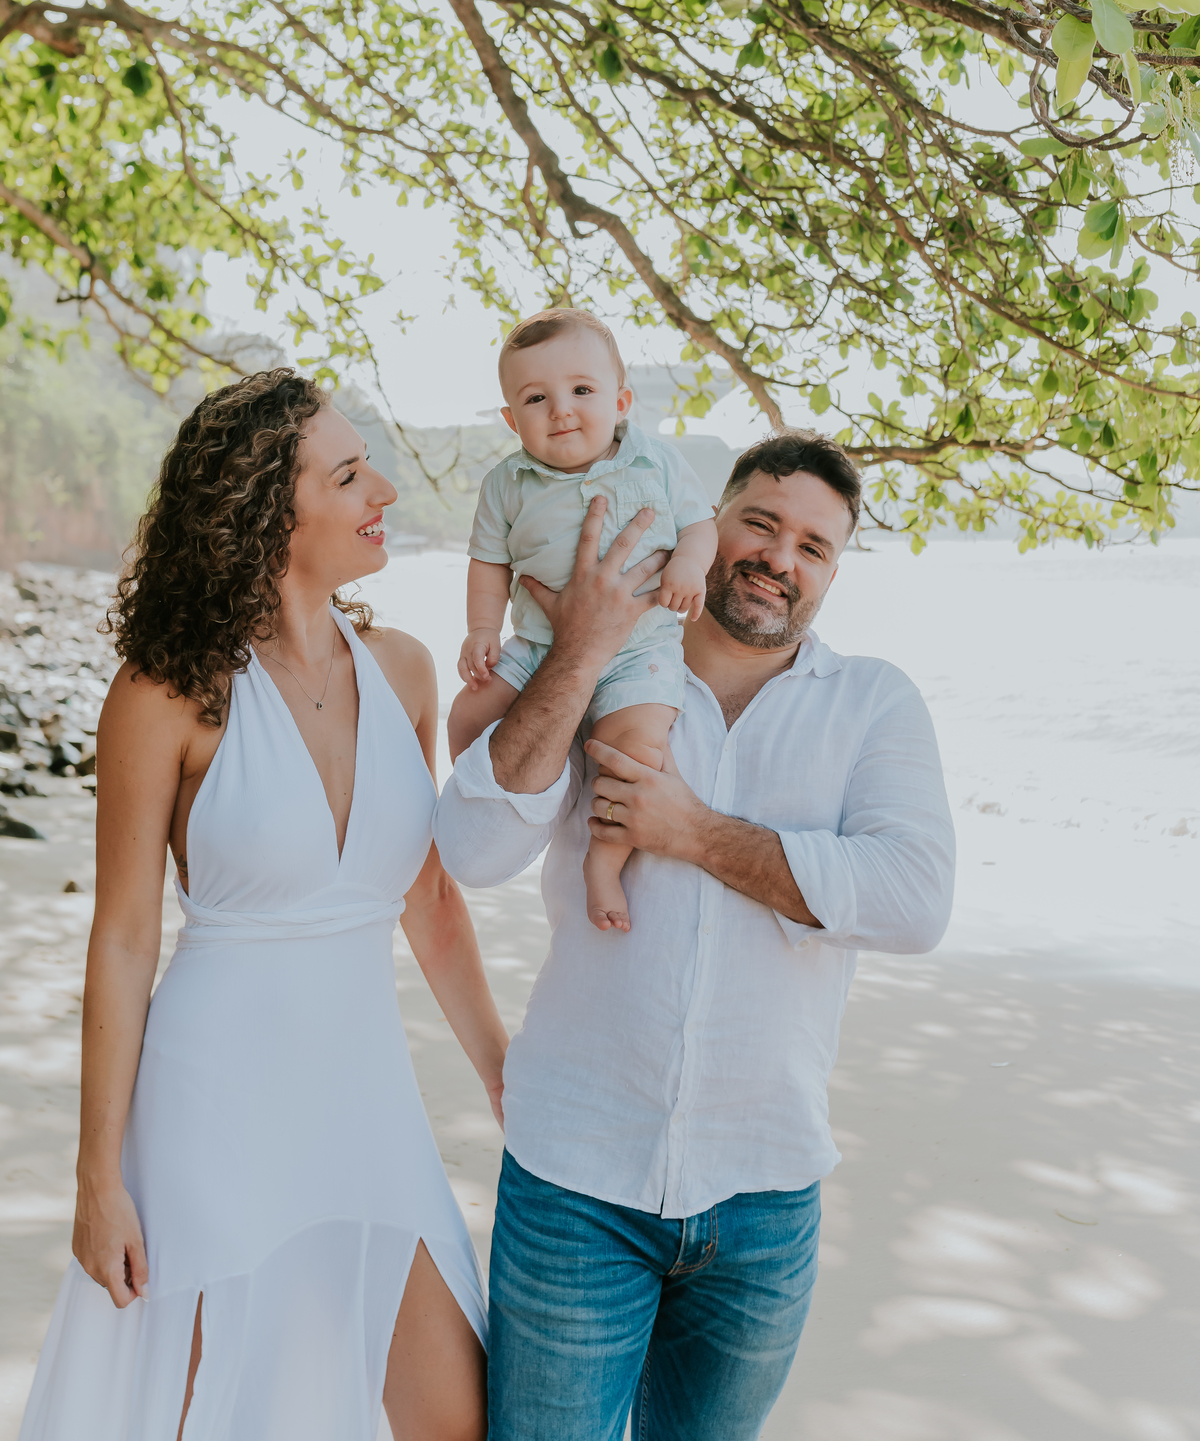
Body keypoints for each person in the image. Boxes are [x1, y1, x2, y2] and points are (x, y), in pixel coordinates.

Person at [437, 430, 956, 1441]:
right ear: (708, 524)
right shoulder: (594, 673)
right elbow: (471, 847)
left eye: (814, 546)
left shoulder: (871, 704)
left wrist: (693, 833)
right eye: (760, 524)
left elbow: (913, 898)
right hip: (574, 1185)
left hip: (765, 1195)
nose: (779, 557)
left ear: (834, 572)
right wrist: (586, 646)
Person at [19, 369, 507, 1441]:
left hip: (369, 1099)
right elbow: (125, 938)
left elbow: (429, 903)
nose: (382, 486)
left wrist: (503, 1070)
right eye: (347, 473)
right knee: (202, 1409)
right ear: (264, 513)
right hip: (211, 1106)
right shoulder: (165, 693)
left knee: (454, 1416)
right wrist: (97, 1176)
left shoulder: (406, 671)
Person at [453, 308, 716, 932]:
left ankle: (603, 860)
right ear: (512, 420)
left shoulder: (659, 463)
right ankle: (510, 801)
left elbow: (700, 524)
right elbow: (488, 561)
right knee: (471, 707)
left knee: (636, 755)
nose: (560, 410)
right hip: (539, 644)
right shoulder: (507, 484)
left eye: (581, 391)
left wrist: (688, 567)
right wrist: (482, 629)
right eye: (535, 398)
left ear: (621, 400)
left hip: (638, 649)